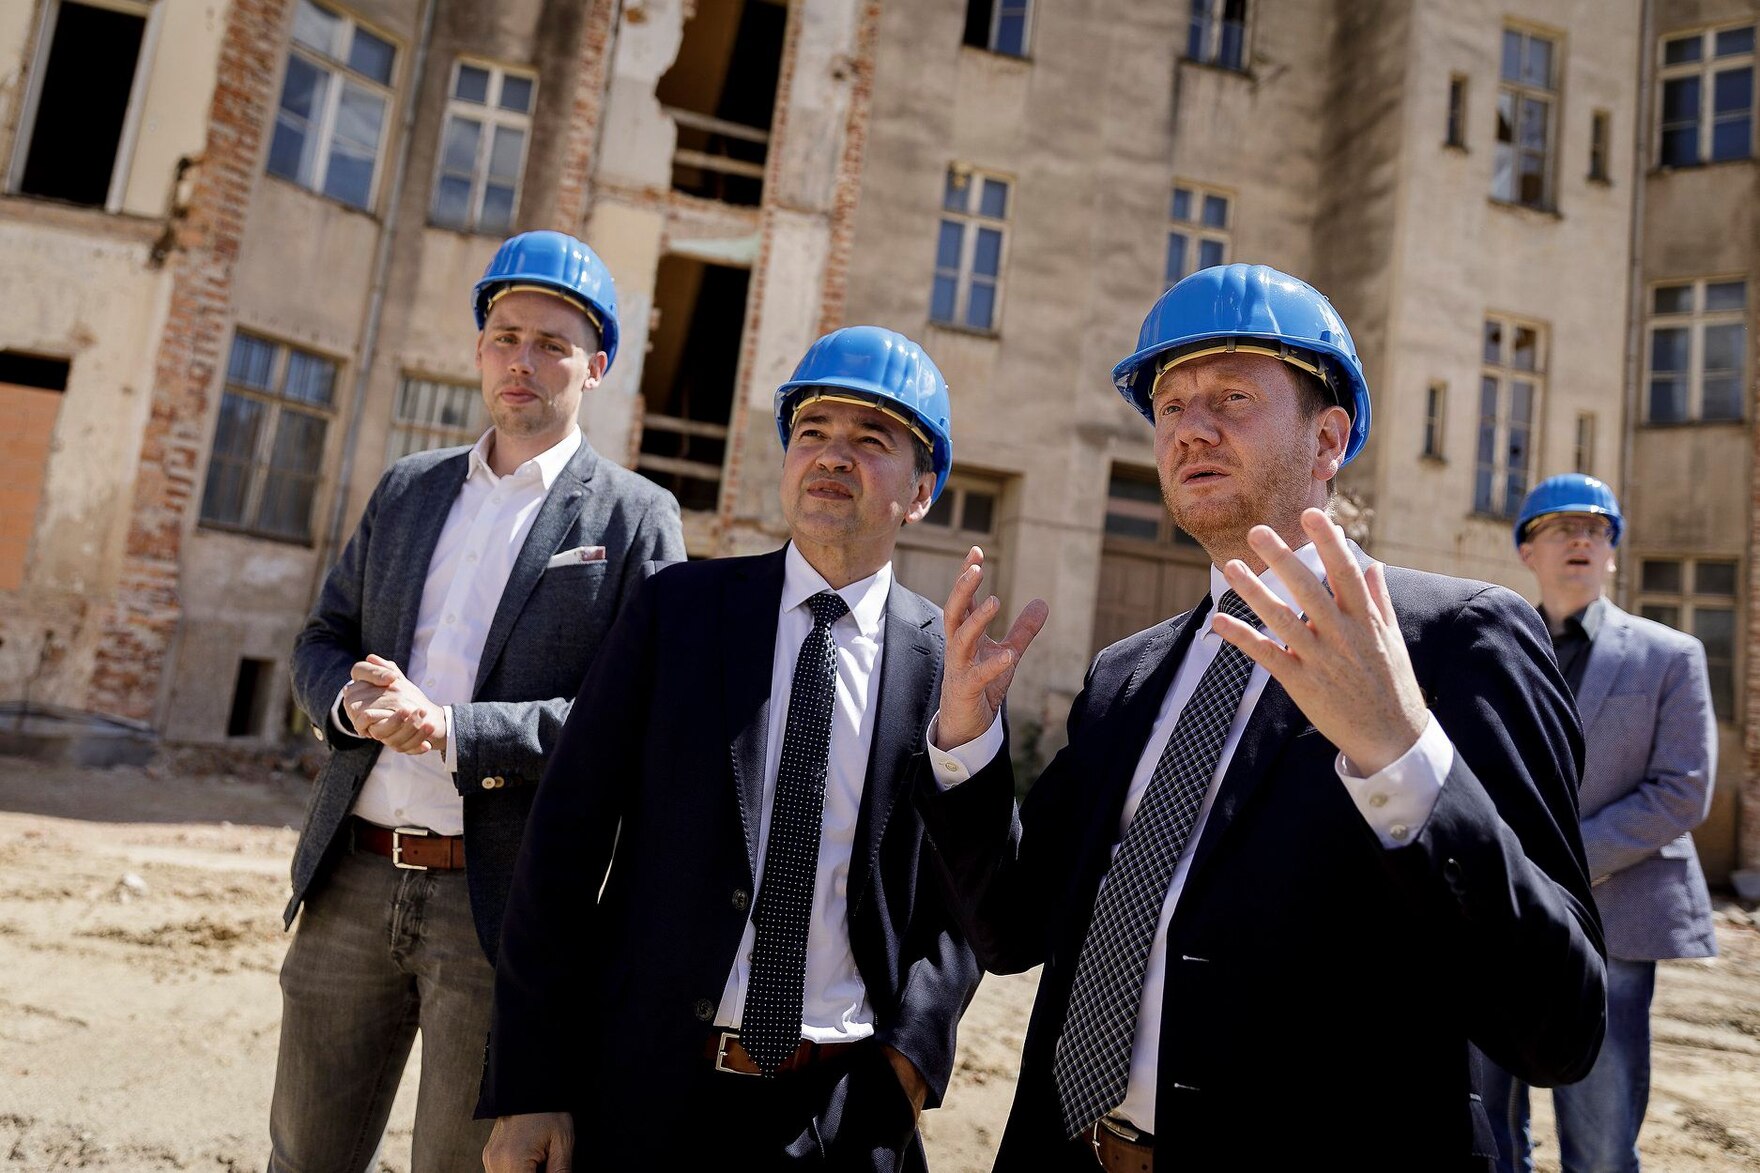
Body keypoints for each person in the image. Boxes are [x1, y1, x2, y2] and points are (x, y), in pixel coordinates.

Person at [916, 263, 1607, 1170]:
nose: (1191, 428)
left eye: (1233, 396)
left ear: (1329, 437)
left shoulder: (1453, 641)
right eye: (1170, 406)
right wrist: (966, 745)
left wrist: (1402, 757)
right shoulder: (1128, 677)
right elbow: (1011, 932)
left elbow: (1558, 1026)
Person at [478, 326, 981, 1173]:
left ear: (921, 489)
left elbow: (962, 899)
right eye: (813, 432)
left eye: (871, 440)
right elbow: (561, 847)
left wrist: (909, 1064)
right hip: (646, 1100)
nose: (831, 456)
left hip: (844, 1117)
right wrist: (529, 1080)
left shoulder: (946, 661)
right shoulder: (677, 613)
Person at [272, 230, 684, 1172]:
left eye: (552, 343)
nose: (522, 361)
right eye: (505, 336)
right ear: (479, 349)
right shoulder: (410, 488)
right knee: (303, 1157)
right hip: (351, 881)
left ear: (598, 365)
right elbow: (320, 640)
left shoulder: (631, 517)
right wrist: (349, 706)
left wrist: (456, 731)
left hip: (499, 908)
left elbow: (634, 720)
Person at [1479, 473, 1717, 1173]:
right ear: (1527, 550)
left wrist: (1561, 858)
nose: (1579, 540)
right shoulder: (1486, 648)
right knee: (1484, 1135)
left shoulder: (1671, 655)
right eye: (1560, 527)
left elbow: (1684, 789)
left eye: (1594, 529)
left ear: (1612, 550)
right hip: (1496, 916)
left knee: (1602, 1143)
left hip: (1614, 920)